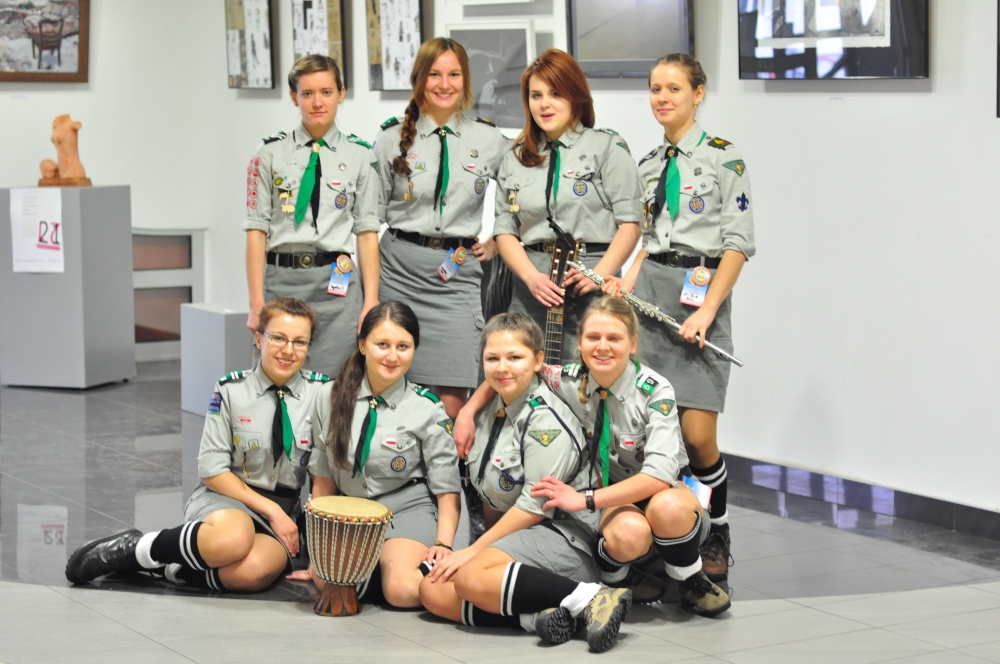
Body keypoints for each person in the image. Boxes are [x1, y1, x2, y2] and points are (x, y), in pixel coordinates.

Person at [456, 297, 730, 616]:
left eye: (614, 338)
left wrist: (584, 499)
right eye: (593, 337)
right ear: (580, 342)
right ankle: (620, 581)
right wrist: (467, 411)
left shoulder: (655, 391)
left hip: (667, 491)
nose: (602, 347)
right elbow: (509, 370)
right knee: (627, 534)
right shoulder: (568, 379)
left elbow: (657, 476)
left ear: (632, 343)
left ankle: (689, 578)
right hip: (614, 497)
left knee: (667, 508)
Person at [608, 54, 756, 581]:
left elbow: (738, 244)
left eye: (673, 88)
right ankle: (666, 541)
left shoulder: (724, 158)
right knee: (651, 432)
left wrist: (709, 310)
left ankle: (717, 527)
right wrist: (627, 277)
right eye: (655, 89)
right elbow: (649, 239)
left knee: (696, 438)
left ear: (698, 93)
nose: (662, 98)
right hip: (650, 298)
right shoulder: (648, 163)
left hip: (699, 299)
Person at [66, 299, 330, 591]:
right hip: (226, 497)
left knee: (254, 572)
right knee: (232, 540)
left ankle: (167, 568)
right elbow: (212, 471)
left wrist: (317, 549)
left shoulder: (322, 393)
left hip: (283, 509)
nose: (288, 350)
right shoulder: (231, 389)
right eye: (278, 338)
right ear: (258, 339)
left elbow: (323, 478)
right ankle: (135, 549)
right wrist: (272, 512)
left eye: (299, 342)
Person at [419, 313, 632, 654]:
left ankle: (593, 597)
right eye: (493, 358)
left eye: (515, 357)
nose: (502, 367)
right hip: (521, 537)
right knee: (432, 589)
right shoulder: (492, 407)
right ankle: (539, 617)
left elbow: (534, 508)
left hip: (563, 539)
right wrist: (467, 411)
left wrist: (474, 551)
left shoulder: (545, 421)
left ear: (537, 361)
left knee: (470, 576)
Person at [372, 37, 512, 420]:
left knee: (452, 401)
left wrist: (498, 240)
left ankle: (446, 462)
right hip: (398, 272)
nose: (445, 84)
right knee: (393, 389)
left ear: (466, 80)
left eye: (454, 75)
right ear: (419, 79)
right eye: (435, 74)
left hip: (456, 278)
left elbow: (523, 192)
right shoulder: (390, 139)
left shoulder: (489, 139)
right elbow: (367, 221)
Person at [288, 302, 462, 608]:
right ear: (362, 345)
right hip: (350, 512)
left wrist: (443, 544)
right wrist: (317, 553)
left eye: (403, 346)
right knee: (328, 580)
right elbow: (323, 478)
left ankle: (390, 570)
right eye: (382, 344)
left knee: (401, 590)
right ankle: (375, 570)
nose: (392, 356)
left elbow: (447, 488)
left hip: (405, 509)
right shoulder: (329, 396)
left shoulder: (427, 408)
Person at [492, 49, 642, 360]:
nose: (544, 104)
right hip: (532, 290)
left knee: (589, 375)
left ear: (575, 95)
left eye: (555, 93)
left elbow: (631, 222)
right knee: (527, 372)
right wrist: (532, 278)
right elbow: (504, 230)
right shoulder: (515, 157)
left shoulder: (607, 148)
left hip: (591, 290)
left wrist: (597, 274)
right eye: (536, 95)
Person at [244, 54, 380, 377]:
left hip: (338, 290)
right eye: (307, 93)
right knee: (279, 381)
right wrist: (255, 302)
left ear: (341, 93)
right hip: (282, 283)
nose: (317, 102)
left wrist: (371, 301)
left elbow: (367, 232)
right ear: (294, 97)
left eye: (326, 92)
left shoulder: (360, 156)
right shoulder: (268, 154)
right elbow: (256, 231)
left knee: (338, 384)